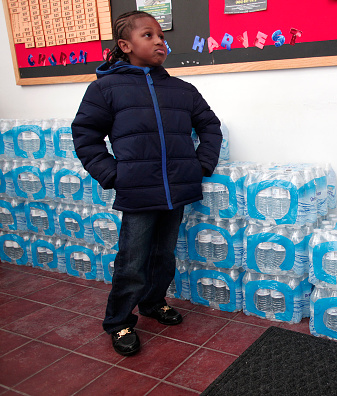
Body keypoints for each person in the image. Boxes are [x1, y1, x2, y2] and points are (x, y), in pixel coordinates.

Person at [71, 10, 222, 356]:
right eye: (149, 35)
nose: (159, 41)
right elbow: (85, 135)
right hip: (137, 192)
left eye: (162, 36)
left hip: (178, 190)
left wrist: (201, 164)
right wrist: (111, 174)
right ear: (125, 45)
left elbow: (210, 126)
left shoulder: (182, 90)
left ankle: (154, 303)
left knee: (164, 256)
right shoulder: (105, 89)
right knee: (132, 261)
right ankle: (119, 320)